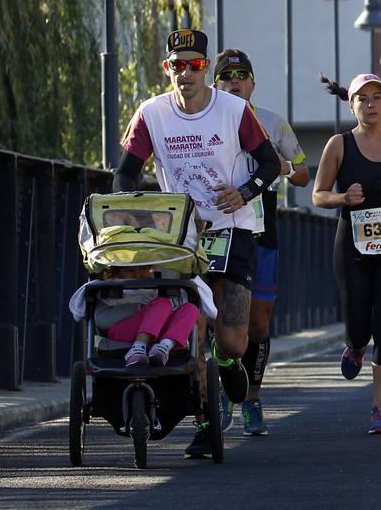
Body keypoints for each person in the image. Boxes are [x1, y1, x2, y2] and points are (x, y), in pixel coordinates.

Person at [114, 28, 280, 460]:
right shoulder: (152, 113)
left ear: (206, 69)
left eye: (195, 65)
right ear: (166, 69)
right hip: (181, 235)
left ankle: (229, 365)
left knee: (231, 341)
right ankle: (205, 425)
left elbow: (269, 165)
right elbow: (125, 172)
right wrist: (134, 213)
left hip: (232, 227)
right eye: (177, 66)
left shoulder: (234, 110)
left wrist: (243, 192)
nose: (185, 73)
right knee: (191, 328)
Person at [312, 74, 381, 434]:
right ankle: (355, 346)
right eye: (363, 99)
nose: (371, 105)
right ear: (352, 105)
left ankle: (379, 408)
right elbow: (318, 195)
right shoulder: (339, 145)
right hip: (352, 247)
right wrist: (343, 198)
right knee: (359, 326)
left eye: (377, 98)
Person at [210, 49, 311, 437]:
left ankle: (251, 398)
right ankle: (221, 391)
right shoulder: (207, 121)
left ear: (253, 82)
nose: (234, 80)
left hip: (262, 232)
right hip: (218, 230)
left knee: (258, 320)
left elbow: (303, 174)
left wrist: (284, 167)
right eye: (226, 76)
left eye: (242, 74)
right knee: (218, 316)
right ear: (216, 84)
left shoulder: (272, 122)